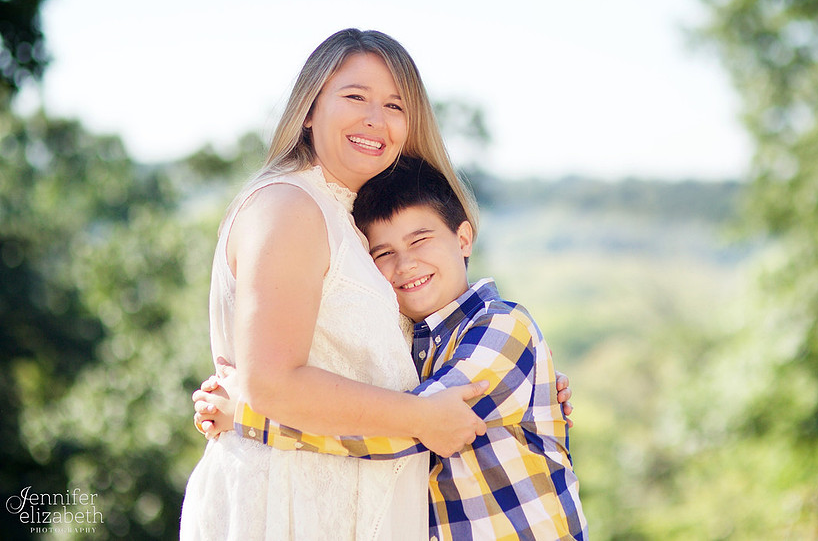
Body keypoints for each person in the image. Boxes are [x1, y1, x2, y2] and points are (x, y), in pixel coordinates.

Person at [179, 29, 492, 541]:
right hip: (288, 508)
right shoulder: (290, 206)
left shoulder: (355, 221)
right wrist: (420, 417)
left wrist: (525, 376)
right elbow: (272, 384)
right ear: (309, 109)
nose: (375, 118)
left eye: (395, 105)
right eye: (355, 97)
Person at [196, 157, 588, 540]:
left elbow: (402, 430)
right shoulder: (407, 345)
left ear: (463, 239)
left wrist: (249, 414)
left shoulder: (502, 327)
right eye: (383, 253)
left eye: (420, 240)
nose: (405, 264)